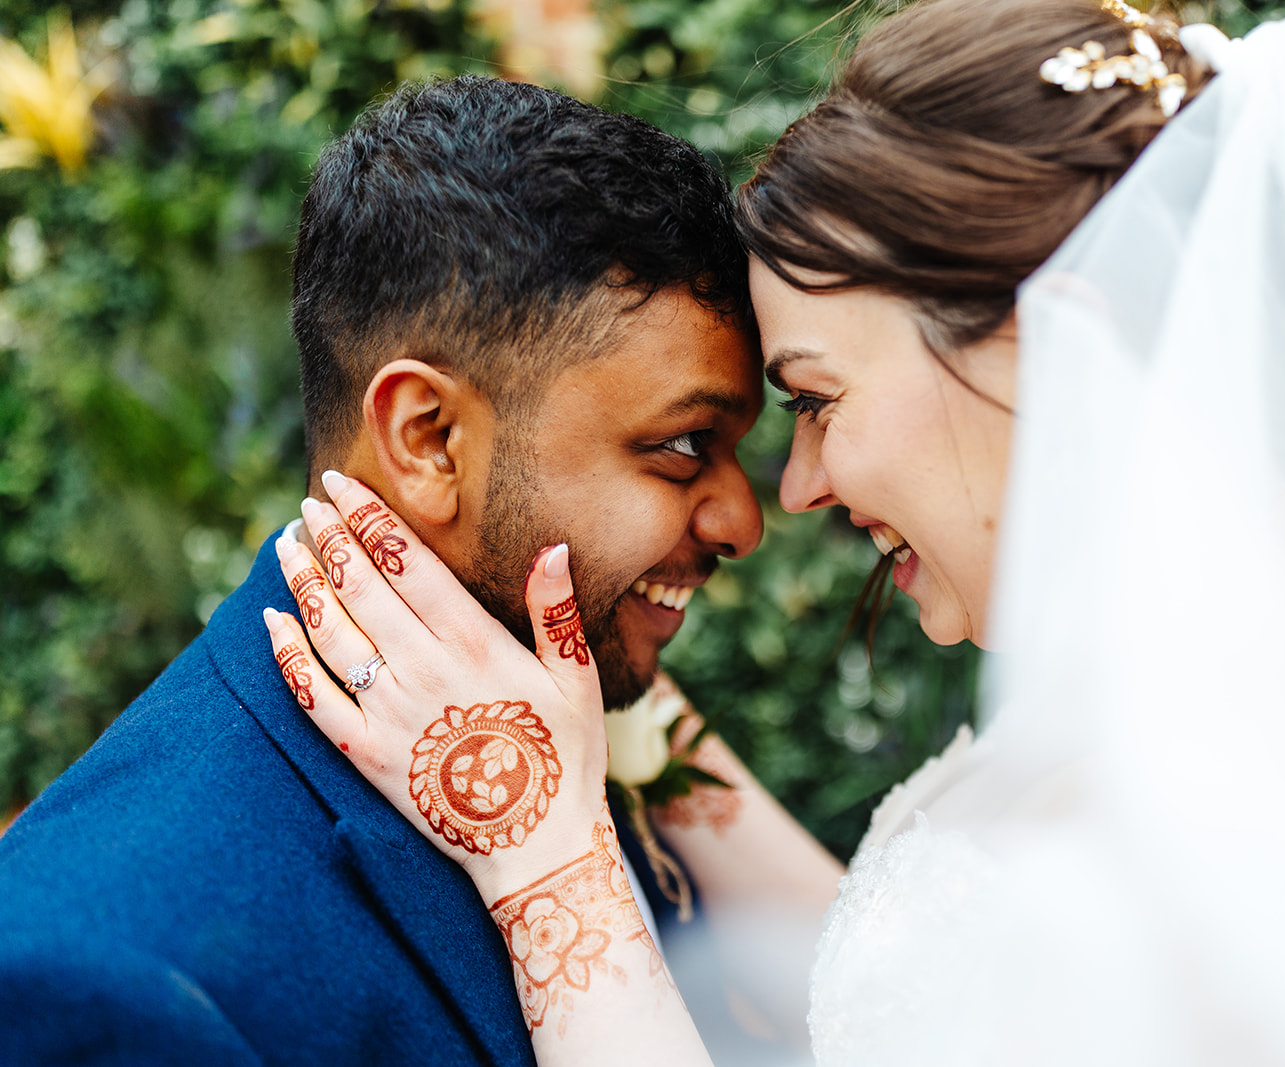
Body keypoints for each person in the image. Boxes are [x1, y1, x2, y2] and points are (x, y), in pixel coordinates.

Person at [268, 0, 1285, 1062]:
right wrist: (629, 706)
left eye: (819, 400)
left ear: (1046, 339)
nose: (794, 489)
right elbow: (933, 991)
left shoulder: (1267, 780)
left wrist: (552, 869)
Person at [0, 76, 840, 1065]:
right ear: (431, 437)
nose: (745, 518)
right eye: (685, 443)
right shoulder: (103, 973)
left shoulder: (567, 697)